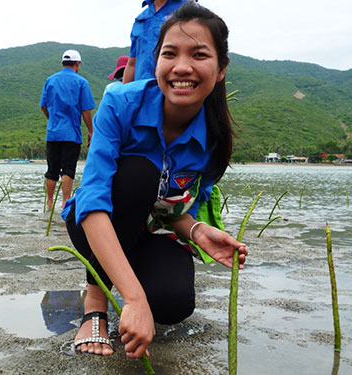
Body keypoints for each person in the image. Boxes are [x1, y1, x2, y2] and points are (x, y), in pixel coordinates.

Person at [63, 1, 247, 358]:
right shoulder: (119, 102)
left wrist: (197, 231)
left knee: (173, 305)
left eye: (199, 55)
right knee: (137, 172)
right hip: (95, 221)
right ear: (157, 60)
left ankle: (127, 280)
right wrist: (132, 297)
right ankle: (96, 302)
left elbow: (171, 210)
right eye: (170, 54)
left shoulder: (213, 137)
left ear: (221, 68)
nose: (182, 67)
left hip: (150, 229)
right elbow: (93, 198)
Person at [40, 49, 95, 210]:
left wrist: (52, 120)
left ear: (63, 63)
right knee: (68, 169)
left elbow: (43, 105)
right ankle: (65, 202)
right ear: (77, 64)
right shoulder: (81, 82)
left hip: (53, 133)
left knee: (51, 170)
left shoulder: (50, 80)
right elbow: (86, 111)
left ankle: (49, 203)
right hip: (71, 133)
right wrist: (91, 131)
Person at [123, 0, 195, 83]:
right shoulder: (140, 19)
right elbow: (132, 64)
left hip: (175, 86)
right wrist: (124, 92)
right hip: (141, 90)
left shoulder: (189, 10)